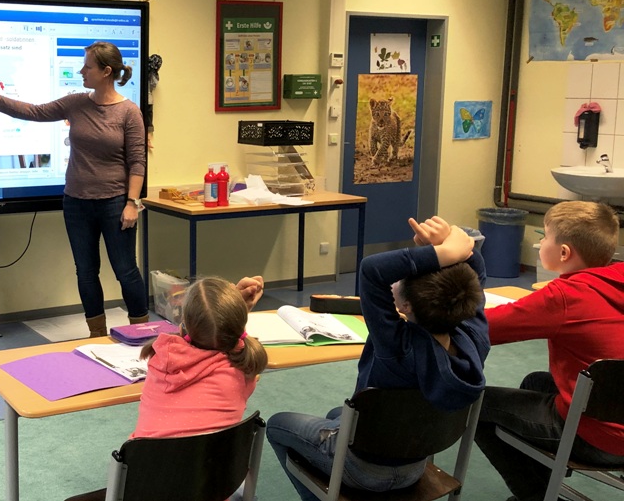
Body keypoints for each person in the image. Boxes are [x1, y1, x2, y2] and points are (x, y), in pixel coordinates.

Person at [266, 217, 489, 500]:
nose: (394, 282)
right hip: (415, 464)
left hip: (365, 470)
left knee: (277, 424)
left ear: (406, 305)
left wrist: (443, 252)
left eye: (400, 280)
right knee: (337, 414)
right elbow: (477, 279)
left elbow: (372, 270)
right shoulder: (473, 340)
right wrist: (455, 246)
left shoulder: (396, 345)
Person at [0, 41, 148, 336]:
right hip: (76, 203)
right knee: (86, 272)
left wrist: (132, 203)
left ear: (106, 71)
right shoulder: (76, 103)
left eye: (87, 66)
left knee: (125, 270)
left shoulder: (129, 112)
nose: (81, 71)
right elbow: (35, 112)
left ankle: (142, 334)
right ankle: (97, 335)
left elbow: (137, 162)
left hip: (116, 204)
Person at [476, 200, 624, 501]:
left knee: (476, 405)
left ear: (564, 253)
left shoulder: (564, 297)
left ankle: (536, 496)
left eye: (544, 236)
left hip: (600, 438)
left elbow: (485, 328)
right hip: (616, 411)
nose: (541, 242)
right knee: (536, 382)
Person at [131, 276, 268, 439]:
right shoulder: (242, 373)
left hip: (144, 454)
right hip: (215, 456)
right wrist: (234, 310)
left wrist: (231, 308)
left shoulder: (158, 362)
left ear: (183, 326)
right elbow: (231, 338)